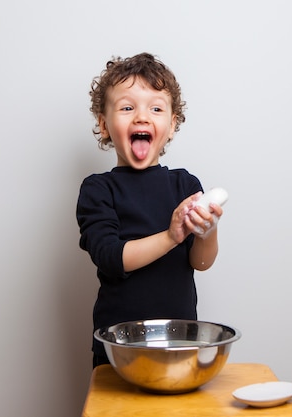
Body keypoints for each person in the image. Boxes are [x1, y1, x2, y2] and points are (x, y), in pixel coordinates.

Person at [76, 52, 224, 367]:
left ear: (170, 126)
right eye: (127, 108)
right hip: (118, 348)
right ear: (104, 125)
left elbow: (200, 262)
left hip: (180, 344)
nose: (142, 117)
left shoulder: (185, 185)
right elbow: (112, 258)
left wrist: (206, 232)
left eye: (155, 108)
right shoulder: (98, 190)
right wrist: (172, 236)